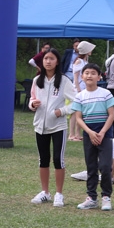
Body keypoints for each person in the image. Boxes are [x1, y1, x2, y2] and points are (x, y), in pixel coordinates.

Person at [29, 47, 76, 207]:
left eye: (51, 59)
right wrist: (32, 104)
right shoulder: (37, 81)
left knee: (58, 159)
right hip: (40, 126)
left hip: (58, 126)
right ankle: (45, 192)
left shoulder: (64, 81)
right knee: (43, 159)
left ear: (57, 62)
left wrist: (61, 111)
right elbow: (32, 98)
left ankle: (59, 194)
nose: (48, 61)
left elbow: (76, 102)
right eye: (45, 59)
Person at [72, 63, 114, 211]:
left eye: (93, 73)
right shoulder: (79, 96)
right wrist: (90, 133)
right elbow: (78, 118)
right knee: (91, 168)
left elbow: (112, 115)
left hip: (105, 134)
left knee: (105, 166)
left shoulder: (105, 93)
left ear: (99, 76)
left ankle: (106, 197)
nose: (89, 75)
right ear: (82, 76)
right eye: (86, 73)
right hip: (89, 134)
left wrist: (102, 132)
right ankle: (91, 198)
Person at [68, 41, 94, 140]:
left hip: (83, 88)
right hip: (77, 89)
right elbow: (76, 77)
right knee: (74, 112)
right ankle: (71, 134)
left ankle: (78, 133)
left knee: (81, 113)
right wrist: (78, 90)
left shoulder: (85, 62)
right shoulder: (79, 61)